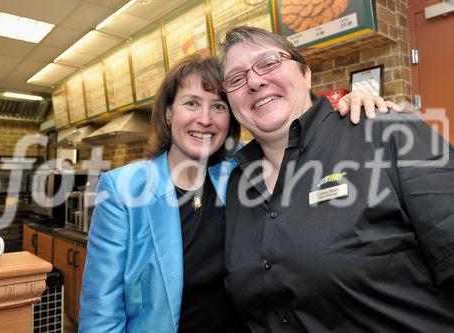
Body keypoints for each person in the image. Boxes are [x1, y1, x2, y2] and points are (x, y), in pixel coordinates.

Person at [79, 54, 394, 332]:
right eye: (191, 103)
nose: (205, 119)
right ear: (168, 113)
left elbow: (300, 142)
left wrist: (346, 109)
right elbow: (101, 314)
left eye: (218, 106)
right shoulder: (123, 188)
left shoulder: (243, 171)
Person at [220, 26, 454, 332]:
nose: (254, 81)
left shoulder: (387, 133)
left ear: (305, 74)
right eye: (236, 79)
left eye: (268, 63)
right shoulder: (239, 183)